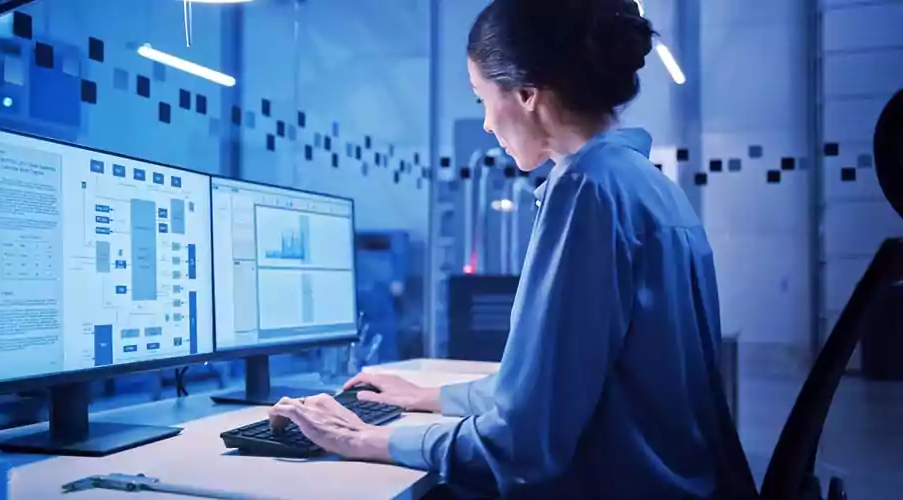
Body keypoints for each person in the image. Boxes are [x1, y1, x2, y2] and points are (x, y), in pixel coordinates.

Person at [267, 0, 757, 498]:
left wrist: (371, 438)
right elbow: (548, 390)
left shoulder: (589, 190)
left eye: (482, 99)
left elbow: (524, 446)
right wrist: (430, 397)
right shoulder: (644, 183)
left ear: (526, 93)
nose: (484, 124)